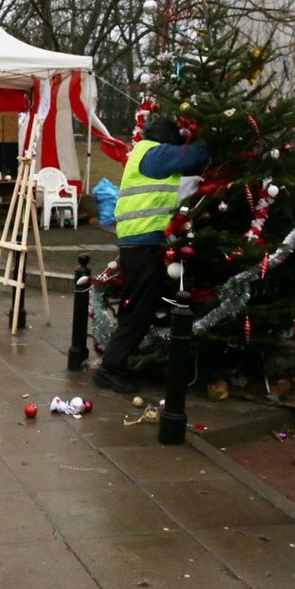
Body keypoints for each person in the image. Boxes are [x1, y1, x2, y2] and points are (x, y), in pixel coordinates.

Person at [94, 116, 208, 394]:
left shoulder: (142, 153)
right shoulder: (155, 153)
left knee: (135, 303)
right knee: (140, 308)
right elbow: (193, 155)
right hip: (143, 242)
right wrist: (217, 137)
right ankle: (110, 367)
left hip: (137, 241)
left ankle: (118, 359)